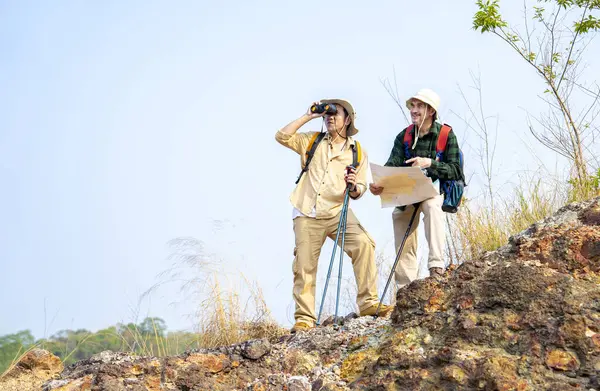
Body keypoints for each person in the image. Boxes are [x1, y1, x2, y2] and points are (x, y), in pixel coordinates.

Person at [275, 99, 392, 333]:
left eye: (335, 114)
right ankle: (305, 319)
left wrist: (353, 187)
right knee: (305, 265)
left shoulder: (357, 151)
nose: (329, 117)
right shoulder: (312, 140)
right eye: (327, 114)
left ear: (347, 120)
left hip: (338, 212)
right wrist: (309, 115)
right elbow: (282, 136)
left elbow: (360, 188)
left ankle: (369, 304)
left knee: (363, 244)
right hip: (307, 211)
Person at [370, 89, 463, 288]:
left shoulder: (446, 135)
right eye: (412, 105)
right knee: (399, 216)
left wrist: (429, 163)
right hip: (409, 192)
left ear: (431, 111)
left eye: (419, 106)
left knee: (432, 207)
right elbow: (391, 165)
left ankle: (436, 267)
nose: (414, 110)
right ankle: (405, 285)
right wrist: (380, 184)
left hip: (433, 191)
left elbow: (456, 171)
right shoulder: (403, 137)